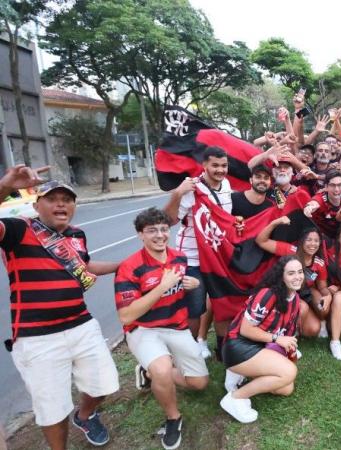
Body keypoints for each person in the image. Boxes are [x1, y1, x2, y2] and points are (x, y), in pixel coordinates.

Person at [0, 168, 120, 450]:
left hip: (81, 325)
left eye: (67, 199)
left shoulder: (77, 235)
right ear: (35, 205)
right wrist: (5, 185)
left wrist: (125, 265)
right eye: (52, 199)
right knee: (52, 408)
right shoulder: (18, 230)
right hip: (36, 336)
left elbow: (85, 267)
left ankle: (85, 414)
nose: (61, 204)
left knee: (104, 386)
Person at [114, 208, 209, 449]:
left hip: (176, 326)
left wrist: (193, 284)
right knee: (163, 369)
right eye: (151, 230)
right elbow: (126, 316)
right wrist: (161, 287)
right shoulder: (129, 267)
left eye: (164, 229)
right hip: (143, 329)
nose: (159, 235)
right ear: (140, 235)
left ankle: (148, 373)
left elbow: (182, 289)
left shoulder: (180, 258)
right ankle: (173, 418)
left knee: (199, 384)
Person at [163, 146, 235, 358]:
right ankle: (189, 352)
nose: (220, 170)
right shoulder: (192, 189)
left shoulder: (227, 184)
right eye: (215, 165)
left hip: (218, 258)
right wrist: (177, 193)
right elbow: (169, 221)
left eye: (224, 165)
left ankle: (222, 349)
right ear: (204, 165)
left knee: (222, 303)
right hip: (192, 260)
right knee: (194, 308)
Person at [220, 256, 303, 423]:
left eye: (300, 272)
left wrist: (288, 351)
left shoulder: (295, 299)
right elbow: (245, 329)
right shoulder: (267, 294)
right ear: (281, 276)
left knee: (286, 387)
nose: (297, 277)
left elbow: (288, 336)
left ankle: (241, 373)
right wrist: (277, 338)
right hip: (237, 345)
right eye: (291, 273)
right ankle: (235, 398)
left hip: (261, 346)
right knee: (288, 372)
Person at [256, 217, 331, 338]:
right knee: (302, 308)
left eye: (316, 241)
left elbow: (322, 287)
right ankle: (287, 336)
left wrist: (328, 296)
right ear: (301, 241)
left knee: (313, 329)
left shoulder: (319, 263)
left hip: (305, 293)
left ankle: (312, 323)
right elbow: (261, 241)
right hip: (285, 293)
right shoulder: (290, 251)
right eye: (309, 240)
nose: (312, 244)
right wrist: (276, 222)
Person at [303, 170, 341, 239]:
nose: (336, 189)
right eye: (332, 185)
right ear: (326, 187)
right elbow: (314, 203)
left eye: (339, 185)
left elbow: (340, 218)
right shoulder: (320, 198)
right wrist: (309, 207)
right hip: (318, 238)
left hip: (338, 238)